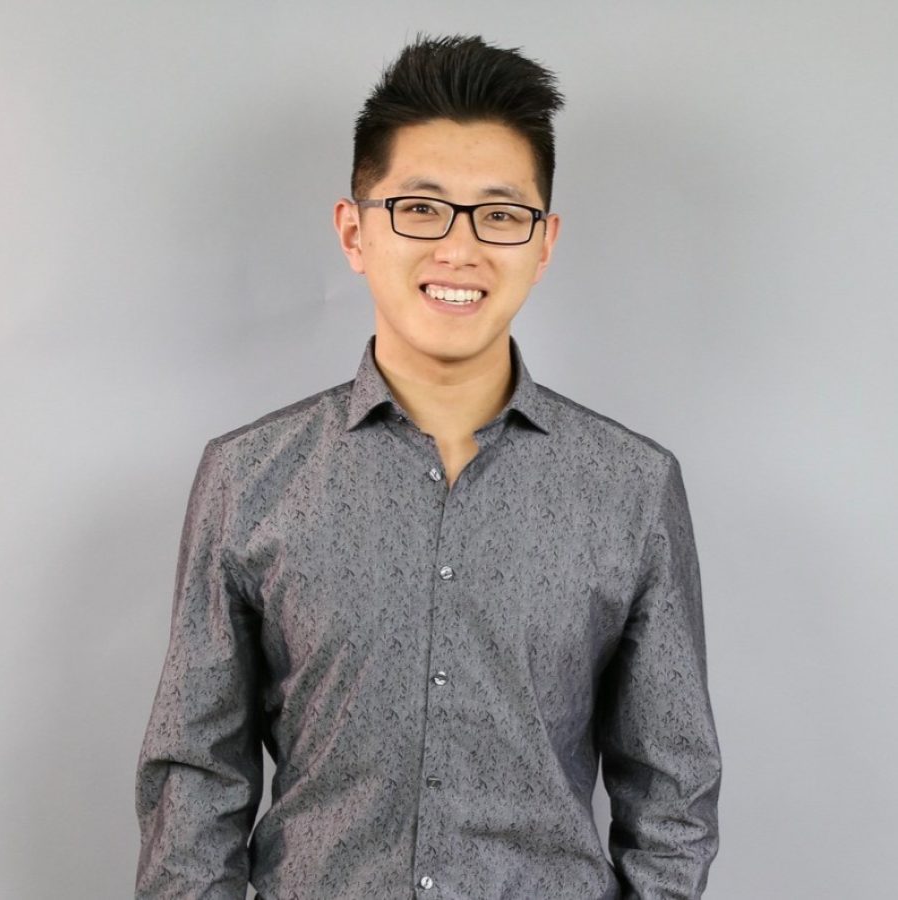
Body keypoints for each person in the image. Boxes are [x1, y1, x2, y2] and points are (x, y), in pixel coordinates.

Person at [135, 34, 721, 900]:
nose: (460, 248)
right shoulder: (248, 478)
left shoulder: (632, 488)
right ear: (355, 230)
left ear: (544, 241)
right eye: (419, 207)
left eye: (500, 213)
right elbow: (195, 786)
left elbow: (672, 798)